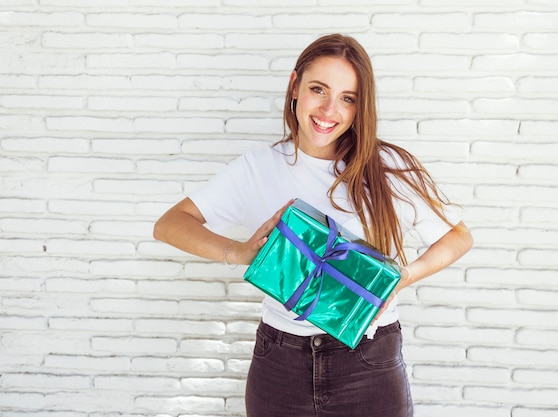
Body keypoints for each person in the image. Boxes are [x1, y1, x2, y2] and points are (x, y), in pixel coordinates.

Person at [153, 33, 473, 417]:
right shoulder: (257, 167)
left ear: (360, 107)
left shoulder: (387, 167)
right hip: (279, 362)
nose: (328, 109)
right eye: (318, 89)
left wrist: (402, 276)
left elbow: (458, 237)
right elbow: (170, 224)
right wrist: (238, 252)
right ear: (294, 86)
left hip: (368, 362)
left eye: (347, 98)